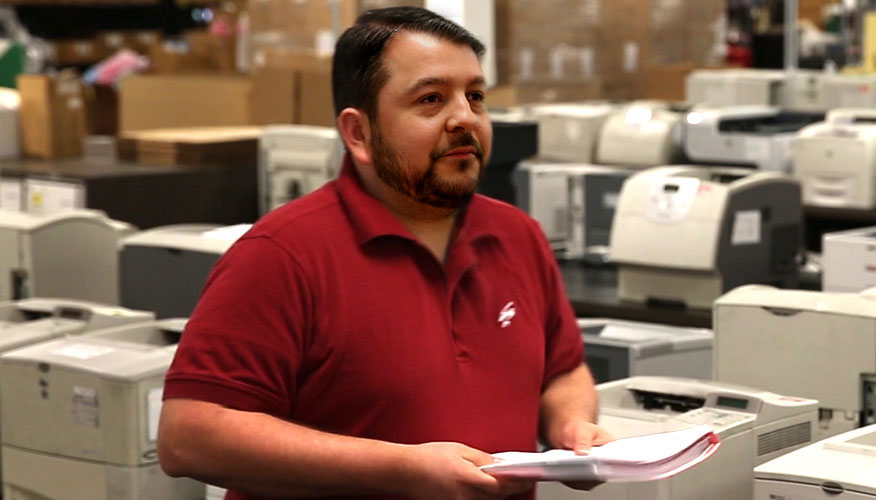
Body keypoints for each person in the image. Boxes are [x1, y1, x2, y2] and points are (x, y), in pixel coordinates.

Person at [156, 7, 611, 500]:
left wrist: (572, 427)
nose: (465, 117)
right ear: (359, 134)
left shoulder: (518, 235)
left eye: (475, 96)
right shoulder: (283, 255)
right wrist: (400, 467)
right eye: (432, 99)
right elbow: (189, 436)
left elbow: (563, 370)